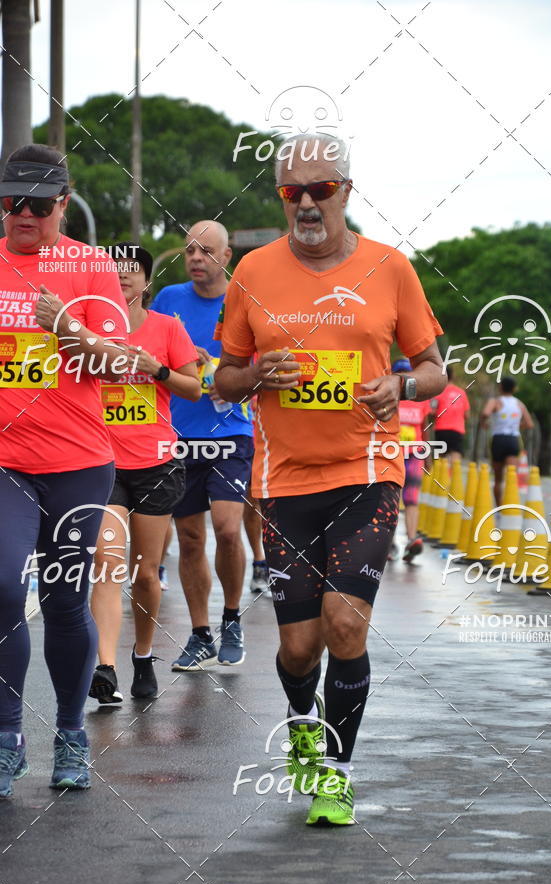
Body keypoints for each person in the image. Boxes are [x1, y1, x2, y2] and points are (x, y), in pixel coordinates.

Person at [216, 135, 446, 825]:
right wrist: (257, 375)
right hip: (283, 482)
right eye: (293, 192)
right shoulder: (252, 271)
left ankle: (337, 773)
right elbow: (223, 378)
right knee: (297, 647)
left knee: (346, 625)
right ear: (281, 197)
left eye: (321, 190)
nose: (307, 203)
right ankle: (302, 725)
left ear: (347, 191)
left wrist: (401, 385)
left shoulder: (389, 267)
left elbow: (435, 368)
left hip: (366, 473)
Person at [0, 144, 129, 797]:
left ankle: (72, 734)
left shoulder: (89, 265)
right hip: (5, 462)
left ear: (64, 200)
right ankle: (6, 737)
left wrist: (68, 331)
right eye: (10, 200)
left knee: (65, 601)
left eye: (39, 204)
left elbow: (118, 363)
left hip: (78, 464)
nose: (23, 215)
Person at [89, 243, 201, 704]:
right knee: (107, 564)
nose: (122, 277)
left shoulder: (167, 328)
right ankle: (106, 667)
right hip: (104, 462)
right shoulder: (90, 332)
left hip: (156, 462)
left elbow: (194, 388)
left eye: (131, 271)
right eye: (114, 270)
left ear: (146, 282)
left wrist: (157, 370)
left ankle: (142, 654)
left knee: (145, 574)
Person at [152, 221, 254, 669]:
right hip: (177, 435)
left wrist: (233, 384)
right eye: (190, 250)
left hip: (231, 432)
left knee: (229, 529)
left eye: (205, 251)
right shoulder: (168, 299)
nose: (195, 257)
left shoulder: (245, 301)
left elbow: (265, 371)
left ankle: (232, 617)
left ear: (226, 256)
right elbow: (145, 347)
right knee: (190, 538)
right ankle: (200, 634)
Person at [388, 358, 430, 564]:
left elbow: (425, 429)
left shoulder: (418, 399)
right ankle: (396, 541)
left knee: (407, 498)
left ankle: (408, 540)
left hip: (410, 453)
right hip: (394, 453)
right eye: (401, 374)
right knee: (396, 498)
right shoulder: (390, 396)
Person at [481, 376, 534, 505]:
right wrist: (516, 425)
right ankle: (510, 506)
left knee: (498, 479)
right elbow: (529, 424)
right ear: (514, 389)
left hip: (498, 439)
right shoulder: (519, 404)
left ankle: (499, 507)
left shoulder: (495, 401)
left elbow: (485, 413)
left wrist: (485, 423)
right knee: (511, 477)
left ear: (500, 387)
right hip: (513, 440)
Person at [429, 364, 470, 461]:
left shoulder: (437, 392)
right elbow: (467, 415)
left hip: (441, 429)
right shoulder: (461, 393)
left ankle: (439, 476)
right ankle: (454, 475)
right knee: (456, 455)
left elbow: (432, 412)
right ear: (452, 375)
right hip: (457, 430)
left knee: (440, 458)